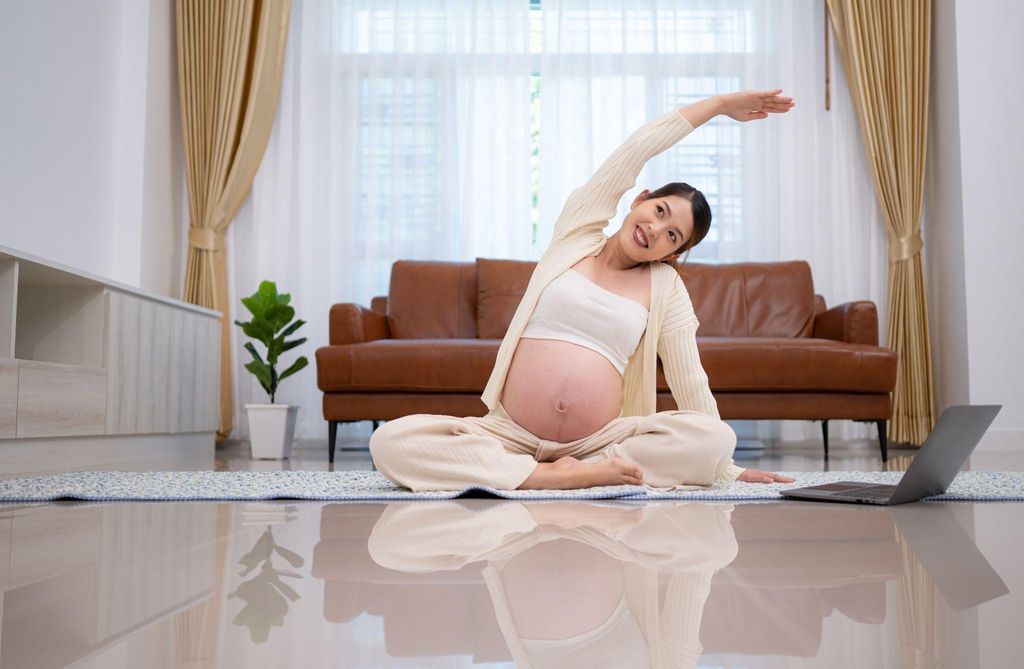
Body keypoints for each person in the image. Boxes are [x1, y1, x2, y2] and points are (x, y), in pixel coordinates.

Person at [371, 89, 798, 492]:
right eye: (659, 211)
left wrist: (724, 465)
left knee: (714, 437)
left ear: (674, 254)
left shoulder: (664, 287)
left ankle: (564, 472)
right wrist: (720, 104)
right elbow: (636, 150)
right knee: (390, 441)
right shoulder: (577, 234)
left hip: (599, 445)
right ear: (640, 199)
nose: (655, 230)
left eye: (672, 235)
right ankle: (547, 477)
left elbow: (690, 377)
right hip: (507, 435)